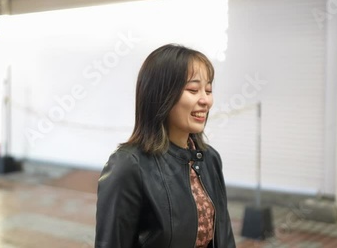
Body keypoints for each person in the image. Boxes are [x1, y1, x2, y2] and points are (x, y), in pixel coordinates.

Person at [95, 44, 236, 248]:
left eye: (208, 90)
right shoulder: (129, 165)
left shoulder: (209, 158)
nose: (205, 100)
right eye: (193, 90)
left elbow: (225, 236)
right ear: (162, 94)